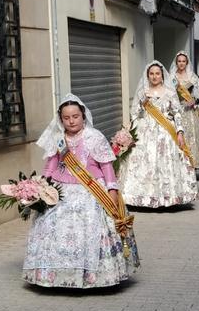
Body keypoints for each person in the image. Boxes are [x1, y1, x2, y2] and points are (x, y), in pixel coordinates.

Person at [23, 95, 140, 288]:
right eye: (66, 118)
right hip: (61, 190)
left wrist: (112, 189)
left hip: (92, 189)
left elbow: (107, 166)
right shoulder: (58, 139)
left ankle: (95, 276)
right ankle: (53, 274)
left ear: (83, 116)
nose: (71, 121)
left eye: (75, 116)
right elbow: (50, 167)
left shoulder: (95, 137)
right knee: (49, 222)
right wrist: (41, 187)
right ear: (61, 119)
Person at [118, 61, 199, 208]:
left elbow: (177, 113)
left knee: (165, 162)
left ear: (162, 76)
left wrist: (180, 131)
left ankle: (168, 197)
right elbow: (135, 113)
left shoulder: (169, 92)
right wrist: (132, 130)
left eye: (157, 73)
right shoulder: (142, 92)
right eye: (151, 74)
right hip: (145, 131)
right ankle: (141, 196)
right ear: (147, 76)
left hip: (166, 133)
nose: (154, 76)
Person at [169, 51, 199, 171]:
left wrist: (194, 100)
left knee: (194, 136)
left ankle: (193, 164)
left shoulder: (192, 76)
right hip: (178, 110)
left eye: (183, 61)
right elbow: (168, 94)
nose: (181, 63)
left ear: (187, 63)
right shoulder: (171, 77)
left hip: (190, 112)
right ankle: (179, 165)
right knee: (179, 136)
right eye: (179, 61)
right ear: (176, 62)